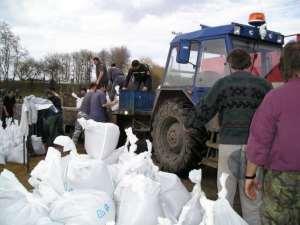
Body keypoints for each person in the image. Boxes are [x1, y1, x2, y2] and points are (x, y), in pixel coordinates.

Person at [185, 49, 272, 225]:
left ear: (230, 66)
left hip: (228, 146)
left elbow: (205, 108)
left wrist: (189, 123)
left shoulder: (222, 84)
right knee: (253, 202)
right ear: (250, 64)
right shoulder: (264, 85)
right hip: (255, 149)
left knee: (225, 198)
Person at [245, 41, 300, 225]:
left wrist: (250, 177)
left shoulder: (275, 98)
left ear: (285, 66)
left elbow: (260, 141)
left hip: (281, 179)